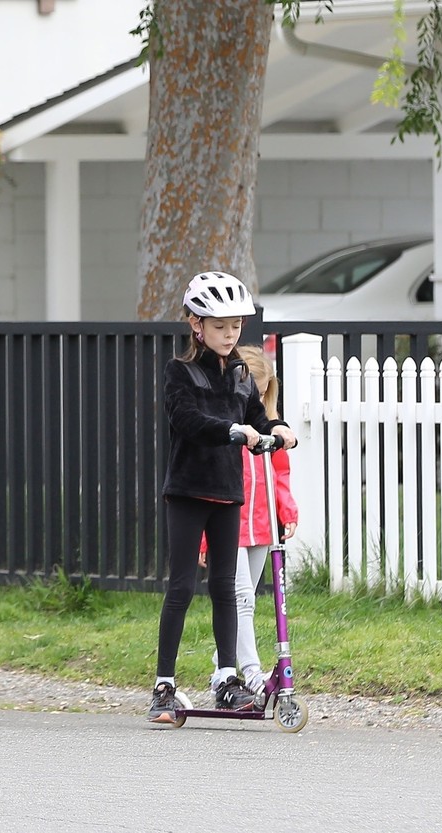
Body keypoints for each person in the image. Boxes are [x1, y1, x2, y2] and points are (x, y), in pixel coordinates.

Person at [147, 271, 297, 724]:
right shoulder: (180, 372)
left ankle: (226, 679)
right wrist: (233, 432)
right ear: (196, 325)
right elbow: (188, 419)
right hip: (189, 491)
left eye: (235, 326)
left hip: (228, 493)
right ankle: (164, 685)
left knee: (225, 591)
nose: (230, 334)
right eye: (219, 326)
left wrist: (277, 428)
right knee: (180, 587)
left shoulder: (240, 374)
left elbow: (256, 416)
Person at [198, 345, 299, 695]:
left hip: (261, 524)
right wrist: (204, 538)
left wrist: (285, 510)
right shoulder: (223, 429)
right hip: (229, 523)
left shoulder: (267, 431)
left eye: (258, 388)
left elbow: (280, 475)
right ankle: (252, 673)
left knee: (248, 599)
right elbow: (206, 483)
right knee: (240, 597)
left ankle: (221, 670)